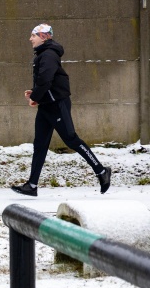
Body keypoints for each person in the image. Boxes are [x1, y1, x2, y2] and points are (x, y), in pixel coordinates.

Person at [11, 24, 111, 197]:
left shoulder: (48, 54)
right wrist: (36, 96)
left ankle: (102, 171)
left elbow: (46, 81)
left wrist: (35, 96)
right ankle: (32, 185)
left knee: (71, 139)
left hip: (57, 105)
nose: (30, 39)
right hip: (47, 105)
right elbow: (45, 82)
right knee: (40, 145)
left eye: (33, 35)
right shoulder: (45, 54)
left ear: (43, 36)